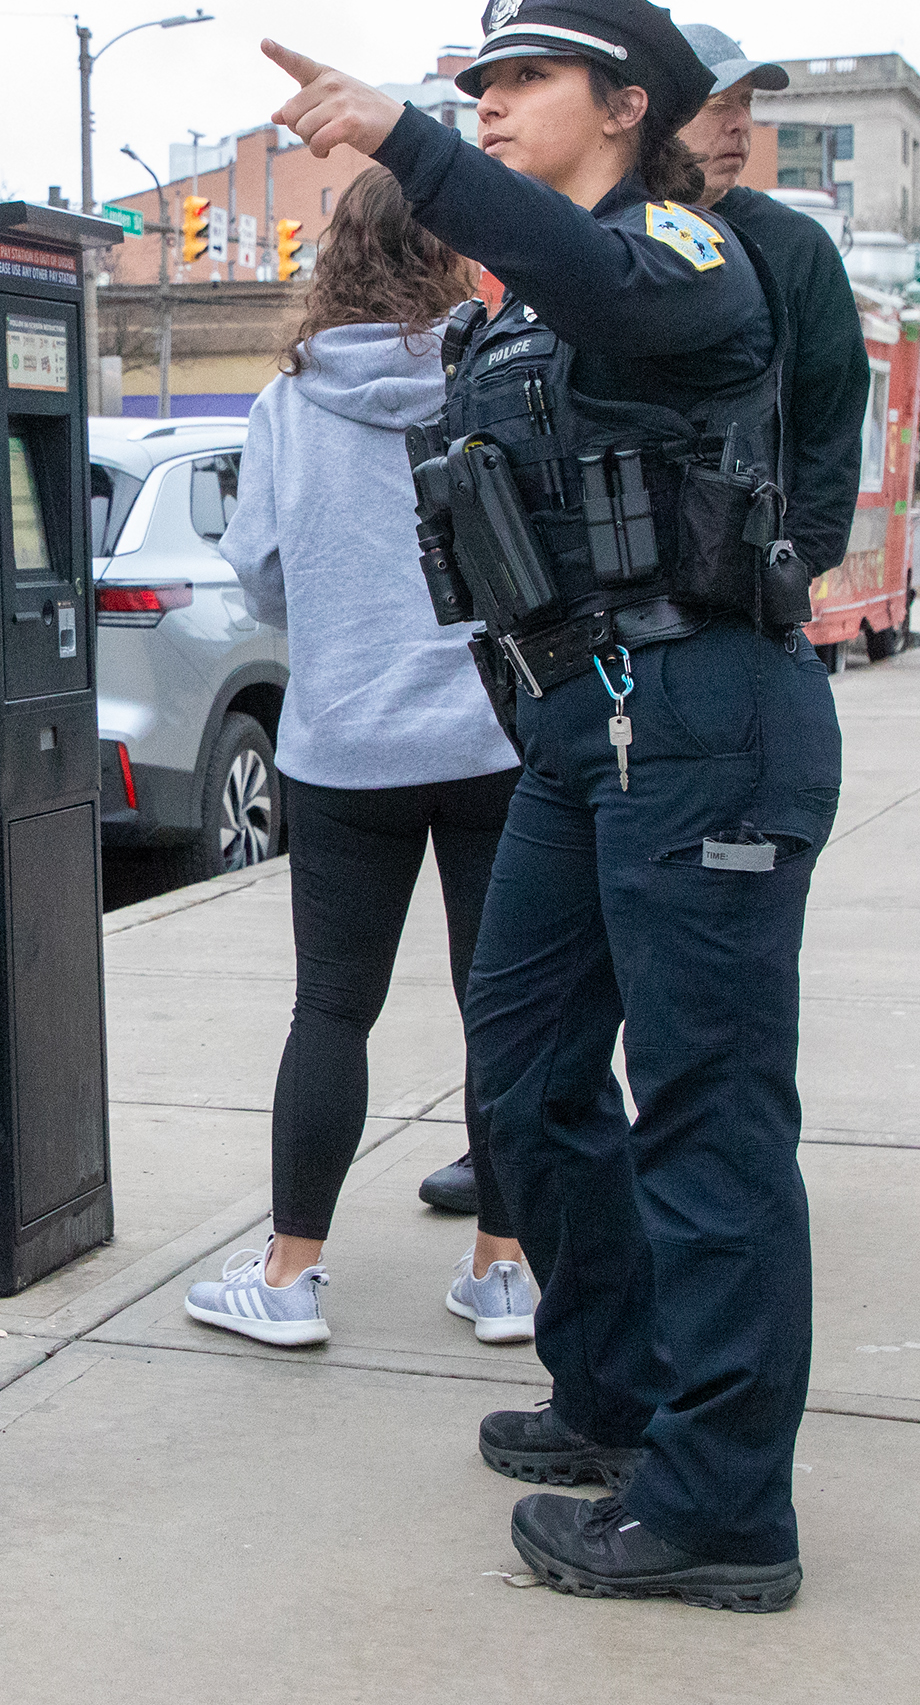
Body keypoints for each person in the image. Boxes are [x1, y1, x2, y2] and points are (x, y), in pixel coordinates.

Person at [267, 0, 859, 1615]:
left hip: (707, 721)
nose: (493, 98)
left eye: (530, 75)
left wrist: (403, 135)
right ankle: (613, 1399)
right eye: (479, 79)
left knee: (711, 1117)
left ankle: (727, 1506)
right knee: (523, 1081)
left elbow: (601, 276)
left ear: (627, 109)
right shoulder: (522, 302)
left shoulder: (678, 254)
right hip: (577, 733)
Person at [179, 167, 530, 1350]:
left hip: (345, 745)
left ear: (338, 251)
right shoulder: (486, 371)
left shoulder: (290, 400)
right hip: (491, 735)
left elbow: (263, 564)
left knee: (331, 1006)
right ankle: (505, 1268)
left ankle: (289, 1274)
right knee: (504, 1006)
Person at [673, 23, 874, 582]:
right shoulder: (605, 238)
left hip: (752, 584)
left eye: (746, 104)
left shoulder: (795, 246)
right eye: (717, 105)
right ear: (652, 113)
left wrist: (797, 561)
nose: (740, 123)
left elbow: (832, 419)